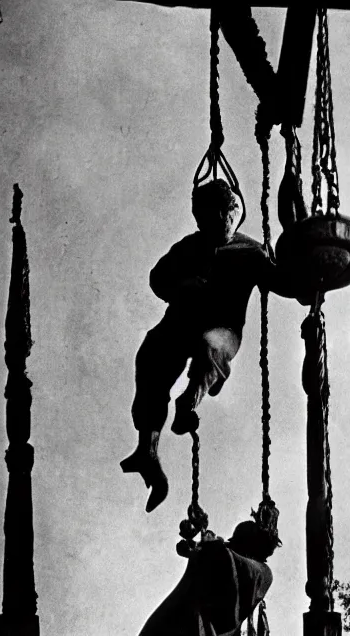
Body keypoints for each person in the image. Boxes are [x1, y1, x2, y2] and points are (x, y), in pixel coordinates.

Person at [121, 179, 289, 512]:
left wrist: (308, 272)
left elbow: (282, 281)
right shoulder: (188, 247)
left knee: (209, 347)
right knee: (153, 351)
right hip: (182, 320)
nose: (206, 227)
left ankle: (189, 403)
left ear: (230, 213)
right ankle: (148, 448)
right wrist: (181, 285)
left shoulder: (251, 252)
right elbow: (158, 279)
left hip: (223, 330)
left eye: (213, 220)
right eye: (200, 221)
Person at [136, 520, 279, 636]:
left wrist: (206, 545)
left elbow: (227, 558)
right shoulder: (237, 563)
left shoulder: (261, 572)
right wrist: (197, 548)